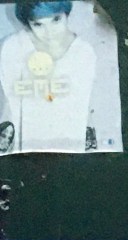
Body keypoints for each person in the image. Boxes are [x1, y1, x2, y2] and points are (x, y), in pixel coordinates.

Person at [0, 1, 95, 152]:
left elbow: (83, 108)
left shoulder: (84, 52)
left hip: (70, 148)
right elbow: (10, 106)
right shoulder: (13, 47)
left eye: (56, 20)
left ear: (66, 14)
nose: (49, 32)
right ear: (28, 23)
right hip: (27, 150)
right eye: (38, 24)